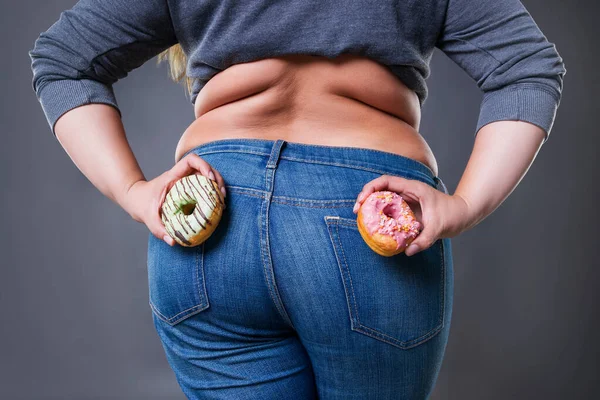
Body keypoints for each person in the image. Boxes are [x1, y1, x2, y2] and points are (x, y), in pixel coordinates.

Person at [29, 0, 566, 398]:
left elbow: (63, 60)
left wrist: (133, 191)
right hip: (364, 214)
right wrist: (466, 204)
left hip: (210, 223)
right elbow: (527, 67)